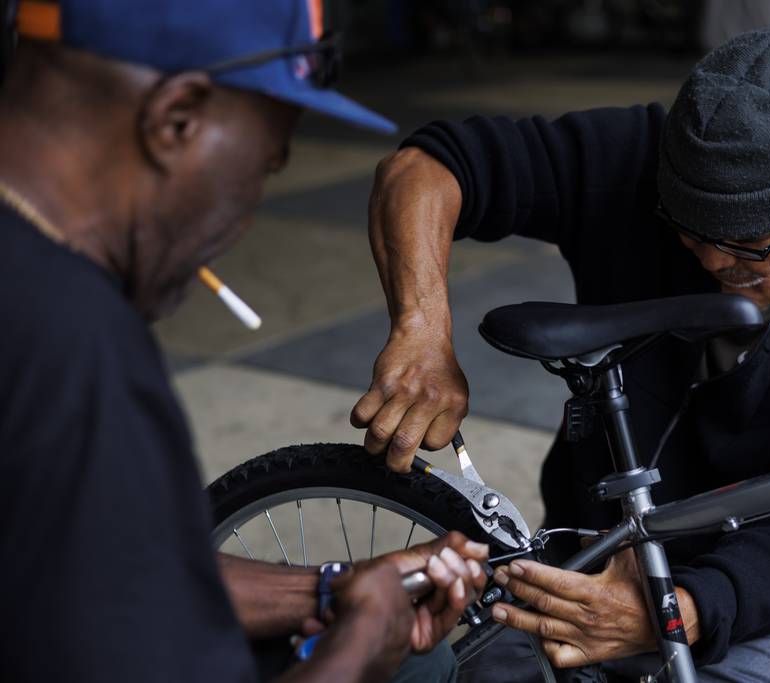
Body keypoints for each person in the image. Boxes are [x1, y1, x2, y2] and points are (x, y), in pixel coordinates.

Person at [351, 29, 770, 681]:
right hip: (588, 547)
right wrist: (422, 325)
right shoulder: (639, 158)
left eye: (750, 245)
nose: (715, 261)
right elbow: (424, 168)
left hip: (747, 597)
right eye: (691, 231)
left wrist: (676, 612)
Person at [0, 1, 488, 682]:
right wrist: (360, 648)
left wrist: (327, 588)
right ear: (176, 119)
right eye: (265, 163)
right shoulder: (73, 349)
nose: (244, 218)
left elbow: (99, 560)